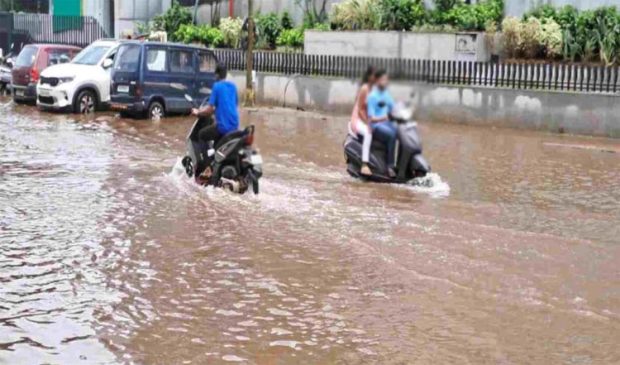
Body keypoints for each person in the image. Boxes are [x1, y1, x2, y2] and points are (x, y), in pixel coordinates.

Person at [192, 63, 239, 147]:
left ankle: (205, 160)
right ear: (225, 74)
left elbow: (210, 109)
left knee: (201, 134)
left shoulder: (217, 86)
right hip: (235, 126)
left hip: (223, 127)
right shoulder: (233, 86)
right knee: (216, 142)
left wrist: (198, 112)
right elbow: (233, 105)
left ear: (217, 75)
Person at [367, 70, 397, 178]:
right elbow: (371, 119)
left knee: (402, 132)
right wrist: (384, 117)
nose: (386, 82)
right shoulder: (372, 96)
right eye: (383, 80)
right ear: (377, 81)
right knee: (391, 135)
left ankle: (404, 165)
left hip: (386, 123)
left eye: (386, 79)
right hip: (376, 126)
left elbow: (393, 108)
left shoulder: (386, 94)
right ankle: (390, 166)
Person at [349, 66, 376, 176]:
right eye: (374, 75)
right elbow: (360, 109)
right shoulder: (364, 88)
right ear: (369, 76)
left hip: (367, 119)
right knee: (368, 133)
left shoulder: (374, 89)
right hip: (358, 120)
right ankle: (364, 164)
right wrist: (368, 123)